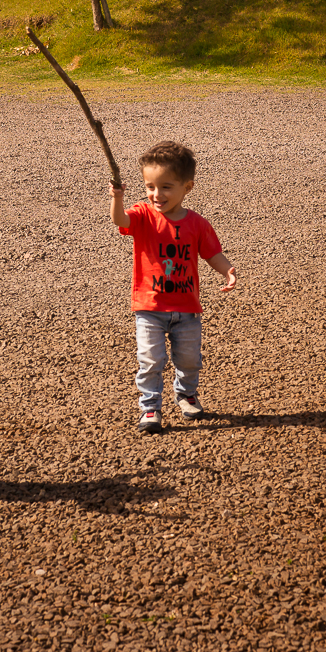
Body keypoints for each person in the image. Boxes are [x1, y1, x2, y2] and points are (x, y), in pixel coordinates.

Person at [109, 141, 237, 433]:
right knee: (150, 360)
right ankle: (150, 409)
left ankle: (186, 393)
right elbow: (120, 220)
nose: (156, 194)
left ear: (187, 187)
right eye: (150, 186)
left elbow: (211, 253)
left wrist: (227, 270)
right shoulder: (142, 215)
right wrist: (117, 197)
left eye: (166, 187)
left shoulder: (197, 224)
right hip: (149, 307)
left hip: (187, 308)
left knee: (190, 359)